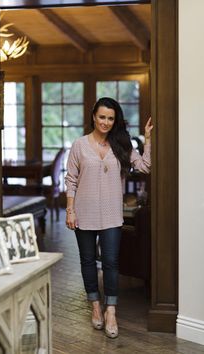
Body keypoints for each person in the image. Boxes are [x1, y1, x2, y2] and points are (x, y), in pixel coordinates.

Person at [65, 97, 153, 339]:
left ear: (115, 121)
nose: (105, 122)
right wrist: (70, 210)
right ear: (94, 116)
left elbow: (145, 167)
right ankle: (95, 305)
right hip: (83, 212)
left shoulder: (122, 144)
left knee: (112, 263)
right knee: (87, 260)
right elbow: (71, 180)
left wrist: (148, 138)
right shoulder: (79, 145)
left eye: (110, 118)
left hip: (112, 214)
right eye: (102, 117)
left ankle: (111, 310)